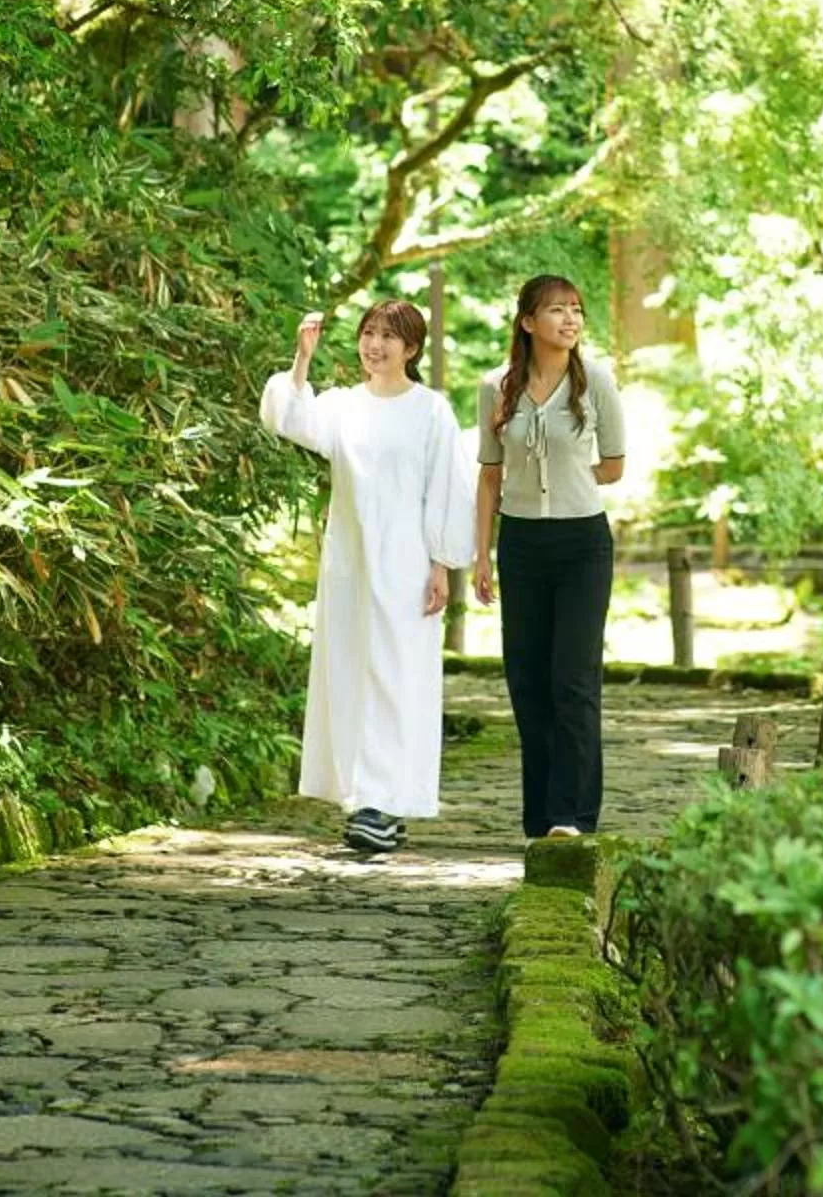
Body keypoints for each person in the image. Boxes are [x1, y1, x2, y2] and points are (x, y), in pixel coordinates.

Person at [259, 300, 469, 855]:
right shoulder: (344, 407)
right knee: (353, 672)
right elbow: (289, 419)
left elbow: (446, 488)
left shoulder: (431, 411)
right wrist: (301, 360)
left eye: (389, 337)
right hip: (350, 561)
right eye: (369, 334)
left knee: (397, 679)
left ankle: (383, 801)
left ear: (413, 349)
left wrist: (442, 564)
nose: (375, 345)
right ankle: (370, 800)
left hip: (408, 561)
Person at [472, 274, 625, 840]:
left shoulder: (597, 382)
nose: (570, 320)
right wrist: (481, 555)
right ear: (527, 321)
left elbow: (614, 466)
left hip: (582, 542)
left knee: (573, 680)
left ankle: (573, 816)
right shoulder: (496, 386)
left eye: (577, 310)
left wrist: (562, 476)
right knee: (527, 680)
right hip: (521, 543)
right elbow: (489, 475)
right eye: (557, 310)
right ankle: (540, 817)